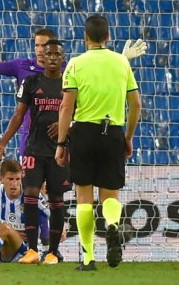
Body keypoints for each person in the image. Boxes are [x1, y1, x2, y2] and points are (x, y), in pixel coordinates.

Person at [0, 17, 147, 157]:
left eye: (44, 45)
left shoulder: (69, 68)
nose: (39, 50)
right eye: (36, 45)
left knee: (55, 195)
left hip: (59, 135)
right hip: (29, 136)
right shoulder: (21, 66)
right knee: (31, 191)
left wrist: (121, 61)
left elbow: (96, 85)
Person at [55, 15, 141, 271]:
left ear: (85, 37)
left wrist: (61, 143)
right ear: (108, 36)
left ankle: (89, 258)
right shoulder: (122, 63)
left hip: (83, 133)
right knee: (110, 195)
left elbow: (66, 106)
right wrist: (128, 137)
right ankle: (113, 224)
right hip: (112, 130)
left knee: (83, 197)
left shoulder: (75, 64)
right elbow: (136, 104)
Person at [0, 40, 71, 264]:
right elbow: (18, 115)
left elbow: (81, 112)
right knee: (31, 195)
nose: (52, 57)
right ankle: (32, 250)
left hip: (60, 151)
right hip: (34, 149)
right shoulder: (31, 81)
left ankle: (53, 252)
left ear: (63, 57)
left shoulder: (71, 83)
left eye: (57, 54)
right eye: (48, 53)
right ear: (42, 56)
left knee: (55, 199)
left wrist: (67, 126)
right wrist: (2, 142)